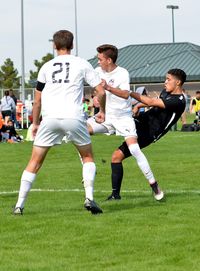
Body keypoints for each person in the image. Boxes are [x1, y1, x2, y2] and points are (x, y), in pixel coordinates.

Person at [13, 29, 106, 215]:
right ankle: (89, 197)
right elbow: (101, 92)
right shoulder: (81, 63)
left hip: (50, 118)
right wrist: (102, 110)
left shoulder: (46, 66)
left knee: (34, 162)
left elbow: (37, 99)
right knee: (87, 157)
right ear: (72, 45)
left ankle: (19, 205)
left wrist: (36, 123)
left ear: (54, 46)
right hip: (73, 116)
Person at [87, 44, 164, 201]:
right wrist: (97, 97)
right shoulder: (96, 72)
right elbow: (97, 91)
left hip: (123, 117)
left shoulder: (122, 73)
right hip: (106, 116)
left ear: (109, 60)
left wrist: (107, 87)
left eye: (100, 59)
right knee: (79, 131)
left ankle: (153, 184)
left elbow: (124, 94)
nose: (98, 62)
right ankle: (88, 167)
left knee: (134, 149)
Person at [106, 68, 186, 200]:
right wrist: (137, 106)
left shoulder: (179, 101)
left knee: (116, 156)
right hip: (142, 121)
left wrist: (129, 93)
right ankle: (115, 195)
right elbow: (153, 100)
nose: (165, 82)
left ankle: (153, 186)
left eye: (168, 79)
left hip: (149, 133)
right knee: (115, 153)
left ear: (178, 82)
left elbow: (152, 102)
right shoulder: (166, 92)